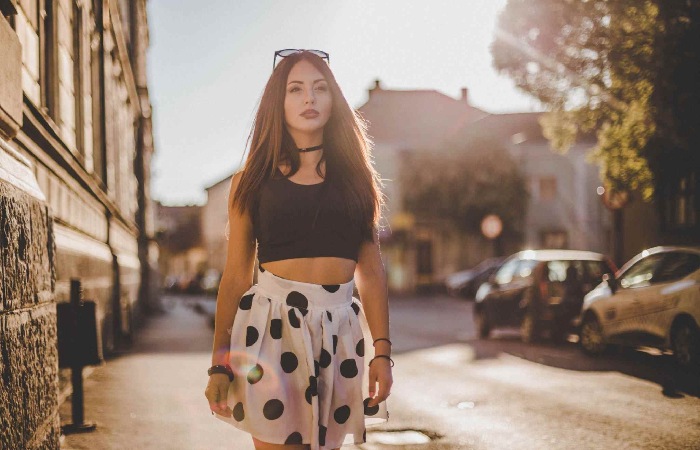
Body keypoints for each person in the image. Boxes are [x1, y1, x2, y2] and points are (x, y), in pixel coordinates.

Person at [205, 49, 392, 450]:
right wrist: (219, 364)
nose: (309, 98)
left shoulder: (357, 180)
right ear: (279, 102)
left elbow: (372, 273)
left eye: (319, 88)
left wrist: (382, 354)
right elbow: (236, 277)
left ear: (333, 100)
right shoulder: (250, 182)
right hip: (271, 328)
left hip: (339, 331)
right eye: (296, 89)